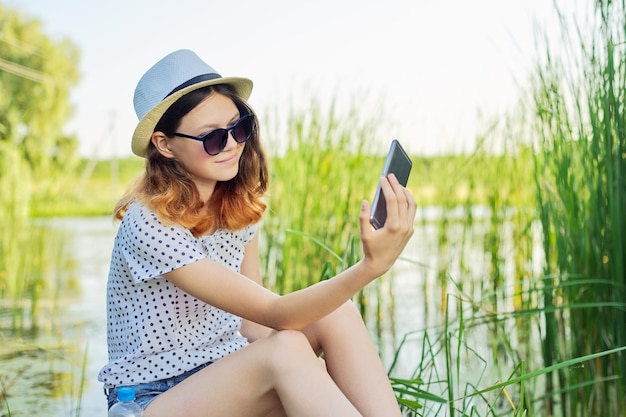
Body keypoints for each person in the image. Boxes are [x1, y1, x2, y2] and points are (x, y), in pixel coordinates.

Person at [98, 49, 417, 417]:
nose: (232, 144)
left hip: (226, 374)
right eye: (213, 139)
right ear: (164, 144)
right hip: (150, 399)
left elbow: (253, 327)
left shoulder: (238, 209)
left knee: (337, 314)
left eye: (239, 128)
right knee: (285, 350)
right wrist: (369, 267)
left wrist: (305, 375)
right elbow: (274, 312)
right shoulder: (149, 223)